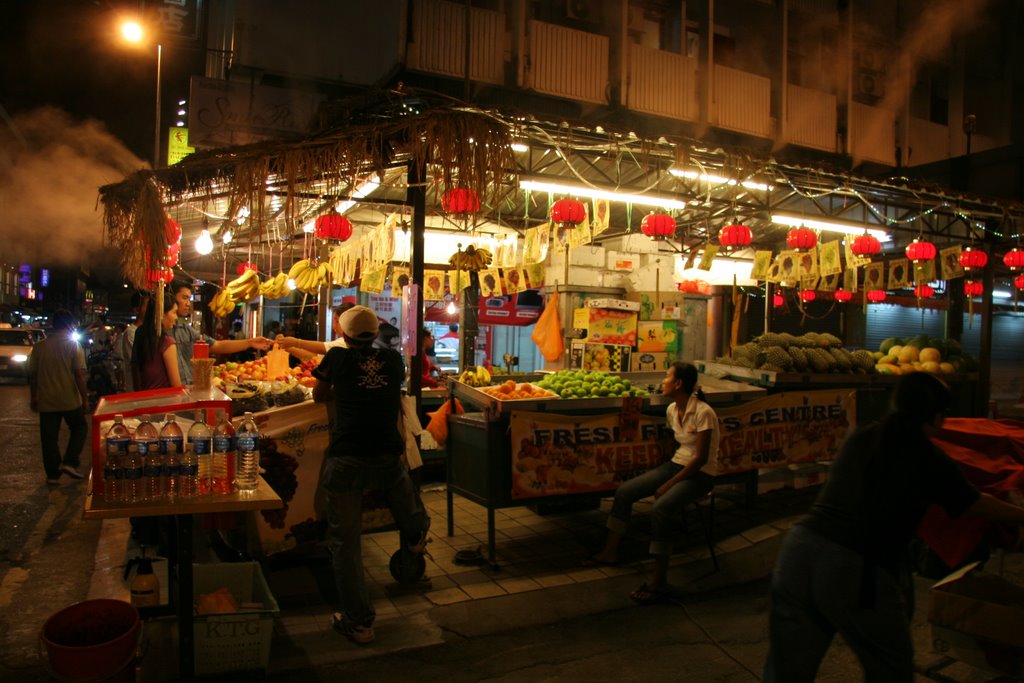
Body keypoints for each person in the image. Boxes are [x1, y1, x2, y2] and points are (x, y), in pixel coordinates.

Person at [764, 372, 1024, 682]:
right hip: (854, 568)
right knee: (890, 671)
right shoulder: (927, 456)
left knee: (786, 671)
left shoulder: (864, 435)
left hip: (798, 552)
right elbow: (975, 504)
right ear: (938, 417)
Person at [312, 305, 430, 646]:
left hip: (348, 457)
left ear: (345, 335)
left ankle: (359, 622)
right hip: (386, 454)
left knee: (346, 544)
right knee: (404, 496)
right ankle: (415, 533)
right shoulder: (394, 362)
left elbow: (321, 395)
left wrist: (348, 391)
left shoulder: (336, 359)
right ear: (375, 334)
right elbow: (389, 392)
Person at [587, 361, 719, 604]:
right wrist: (665, 473)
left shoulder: (703, 412)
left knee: (661, 508)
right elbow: (674, 443)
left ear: (678, 383)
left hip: (700, 476)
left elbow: (700, 459)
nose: (663, 381)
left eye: (667, 377)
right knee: (625, 492)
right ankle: (610, 551)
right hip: (676, 465)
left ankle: (659, 581)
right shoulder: (671, 409)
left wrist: (668, 485)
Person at [27, 309, 89, 484]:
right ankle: (70, 461)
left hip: (47, 400)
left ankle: (52, 474)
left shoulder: (40, 347)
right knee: (80, 428)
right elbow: (79, 375)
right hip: (69, 400)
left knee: (49, 438)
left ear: (53, 325)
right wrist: (85, 399)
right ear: (69, 325)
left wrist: (34, 397)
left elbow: (33, 376)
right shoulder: (73, 346)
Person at [169, 281, 272, 384]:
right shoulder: (159, 333)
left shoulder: (186, 330)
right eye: (184, 298)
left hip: (188, 389)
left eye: (189, 299)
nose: (188, 303)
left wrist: (250, 342)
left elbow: (217, 345)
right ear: (171, 299)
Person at [131, 293, 182, 390]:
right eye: (174, 312)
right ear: (162, 314)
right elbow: (176, 385)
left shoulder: (140, 333)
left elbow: (135, 372)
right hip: (164, 401)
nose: (176, 317)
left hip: (143, 400)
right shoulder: (167, 343)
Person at [276, 303, 355, 359]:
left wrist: (295, 342)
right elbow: (315, 358)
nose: (333, 326)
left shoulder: (347, 343)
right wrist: (287, 347)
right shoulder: (343, 342)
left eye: (336, 320)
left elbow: (322, 348)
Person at [118, 290, 150, 392]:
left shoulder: (147, 331)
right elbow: (140, 363)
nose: (151, 310)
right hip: (136, 389)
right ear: (136, 310)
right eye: (147, 306)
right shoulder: (131, 333)